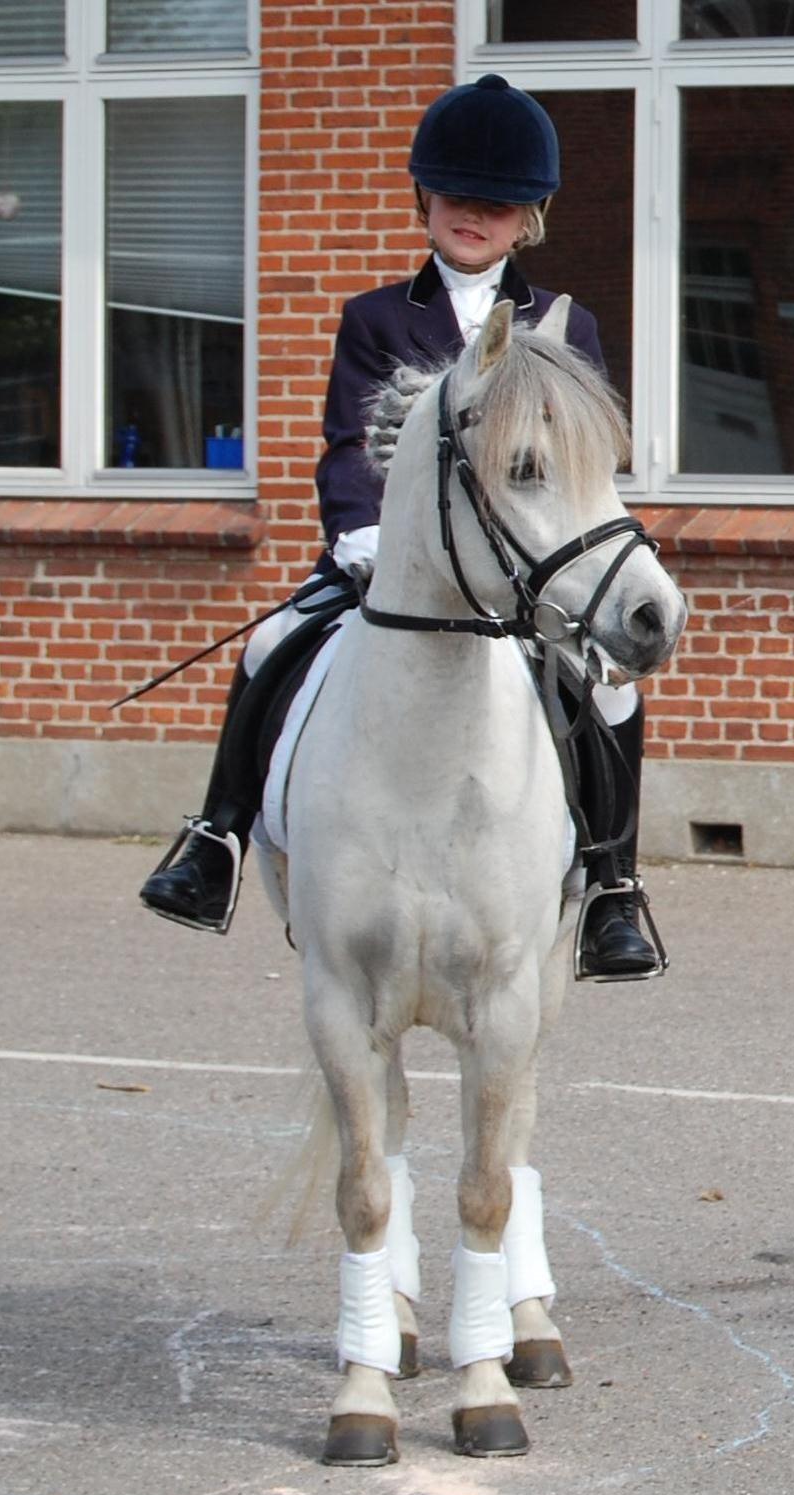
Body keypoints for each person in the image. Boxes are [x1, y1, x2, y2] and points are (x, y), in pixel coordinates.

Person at [139, 73, 661, 980]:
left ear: (528, 215)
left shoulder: (567, 331)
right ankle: (213, 839)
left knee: (612, 688)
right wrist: (360, 536)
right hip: (392, 558)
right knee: (271, 642)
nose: (475, 215)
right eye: (459, 196)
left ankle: (614, 887)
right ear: (427, 197)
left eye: (496, 203)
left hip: (521, 566)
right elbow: (349, 445)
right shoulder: (377, 318)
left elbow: (583, 472)